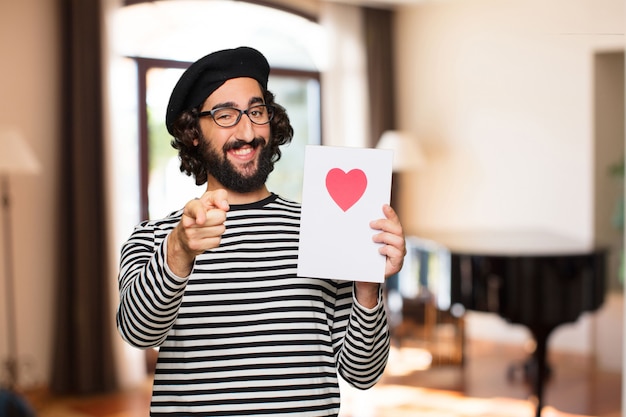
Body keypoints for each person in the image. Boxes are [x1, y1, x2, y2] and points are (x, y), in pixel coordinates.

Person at [116, 46, 406, 417]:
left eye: (256, 111)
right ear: (193, 134)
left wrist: (368, 284)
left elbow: (362, 374)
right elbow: (138, 333)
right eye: (225, 115)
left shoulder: (323, 230)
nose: (248, 131)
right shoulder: (155, 237)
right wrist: (178, 253)